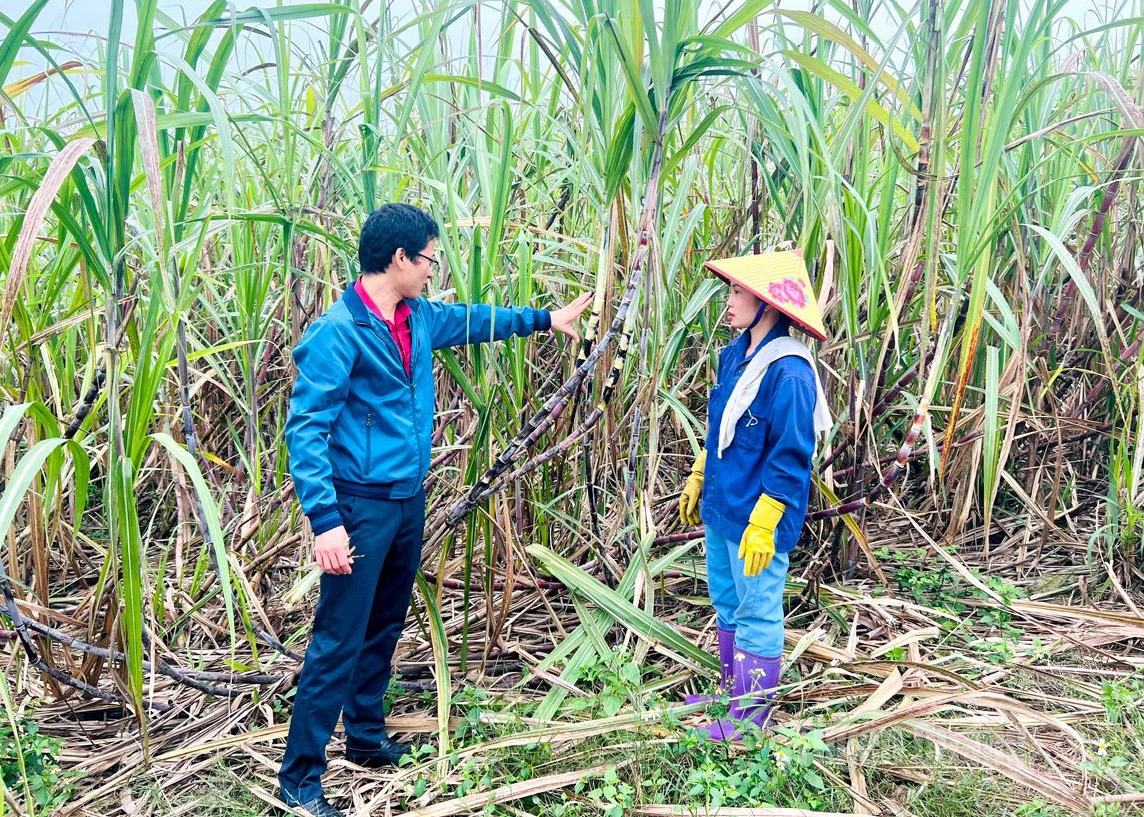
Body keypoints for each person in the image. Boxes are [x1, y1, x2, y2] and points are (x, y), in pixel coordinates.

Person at [279, 203, 592, 817]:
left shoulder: (416, 318)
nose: (431, 271)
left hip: (406, 500)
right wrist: (326, 521)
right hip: (359, 506)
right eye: (427, 259)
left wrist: (547, 319)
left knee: (384, 625)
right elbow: (305, 431)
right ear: (398, 258)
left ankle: (365, 738)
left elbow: (477, 322)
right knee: (338, 638)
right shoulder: (339, 332)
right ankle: (299, 780)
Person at [678, 249, 831, 742]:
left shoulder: (790, 374)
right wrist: (701, 470)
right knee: (726, 600)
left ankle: (748, 721)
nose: (729, 302)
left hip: (756, 519)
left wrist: (766, 520)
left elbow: (791, 456)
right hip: (724, 505)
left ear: (768, 304)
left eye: (738, 293)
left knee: (757, 609)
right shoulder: (734, 354)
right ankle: (730, 695)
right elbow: (719, 424)